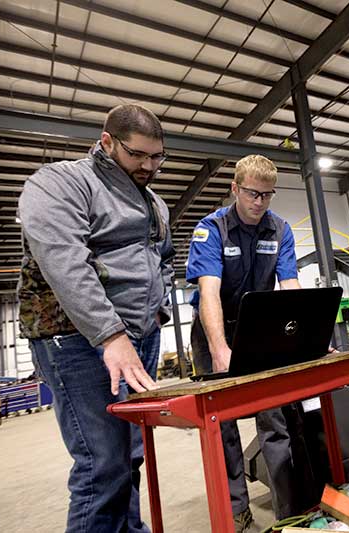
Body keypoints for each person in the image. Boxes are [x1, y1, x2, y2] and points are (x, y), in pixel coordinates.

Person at [18, 104, 174, 532]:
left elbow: (164, 259)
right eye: (138, 154)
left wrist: (155, 314)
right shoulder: (59, 184)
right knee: (101, 465)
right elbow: (64, 262)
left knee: (130, 457)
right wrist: (111, 335)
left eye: (157, 156)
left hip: (138, 338)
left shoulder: (154, 201)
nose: (149, 165)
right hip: (77, 340)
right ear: (107, 142)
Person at [186, 154, 301, 531]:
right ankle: (237, 513)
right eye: (253, 194)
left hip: (259, 327)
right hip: (213, 327)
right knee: (224, 426)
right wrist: (220, 349)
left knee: (275, 420)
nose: (260, 202)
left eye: (268, 195)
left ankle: (289, 512)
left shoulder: (280, 230)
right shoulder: (211, 229)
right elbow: (209, 292)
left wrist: (302, 338)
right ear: (235, 188)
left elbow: (290, 289)